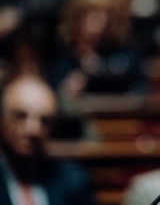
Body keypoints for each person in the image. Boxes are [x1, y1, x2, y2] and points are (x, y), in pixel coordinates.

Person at [0, 74, 95, 205]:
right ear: (3, 122)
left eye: (44, 120)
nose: (33, 129)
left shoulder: (74, 181)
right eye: (21, 116)